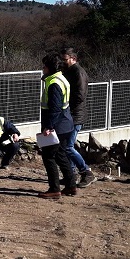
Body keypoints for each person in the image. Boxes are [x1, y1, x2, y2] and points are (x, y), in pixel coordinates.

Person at [37, 53, 77, 199]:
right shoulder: (62, 79)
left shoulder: (53, 83)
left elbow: (55, 108)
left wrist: (48, 127)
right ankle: (71, 185)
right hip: (66, 124)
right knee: (61, 155)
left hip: (57, 126)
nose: (42, 68)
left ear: (49, 68)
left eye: (44, 66)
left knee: (49, 157)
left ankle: (54, 189)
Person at [61, 48, 97, 188]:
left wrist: (66, 105)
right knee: (66, 146)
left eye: (65, 60)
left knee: (68, 146)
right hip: (72, 114)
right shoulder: (70, 72)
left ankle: (87, 172)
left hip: (75, 115)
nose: (63, 62)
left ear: (73, 59)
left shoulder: (78, 73)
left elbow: (80, 96)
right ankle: (72, 174)